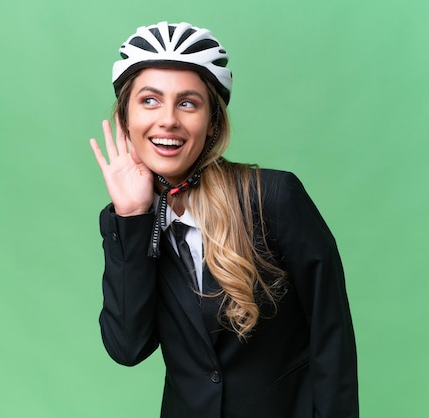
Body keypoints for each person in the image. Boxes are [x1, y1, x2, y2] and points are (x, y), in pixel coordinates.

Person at [89, 21, 358, 418]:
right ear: (126, 119)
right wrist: (132, 218)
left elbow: (331, 337)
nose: (167, 120)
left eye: (187, 103)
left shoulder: (275, 198)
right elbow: (128, 348)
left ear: (212, 123)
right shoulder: (133, 224)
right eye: (149, 100)